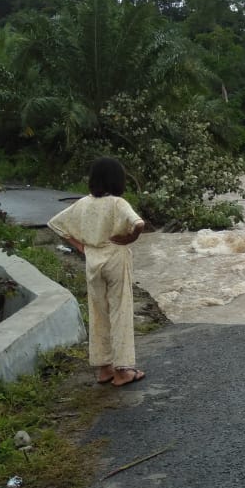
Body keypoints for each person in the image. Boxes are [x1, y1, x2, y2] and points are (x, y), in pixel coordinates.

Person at [48, 157, 147, 387]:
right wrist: (128, 238)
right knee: (120, 311)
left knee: (98, 312)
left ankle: (105, 369)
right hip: (114, 257)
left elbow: (55, 224)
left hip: (92, 260)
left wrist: (81, 247)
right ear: (117, 180)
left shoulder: (83, 203)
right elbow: (139, 224)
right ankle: (123, 371)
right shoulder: (118, 203)